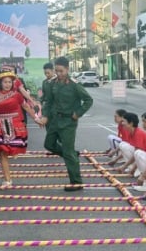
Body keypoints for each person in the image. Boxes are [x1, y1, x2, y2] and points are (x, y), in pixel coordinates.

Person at [0, 70, 41, 188]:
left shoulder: (17, 95)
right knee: (2, 152)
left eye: (10, 82)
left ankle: (13, 153)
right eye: (5, 82)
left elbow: (26, 107)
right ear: (0, 83)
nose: (8, 84)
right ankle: (7, 180)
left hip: (15, 124)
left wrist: (36, 119)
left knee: (11, 149)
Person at [40, 56, 93, 192]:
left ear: (67, 69)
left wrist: (78, 113)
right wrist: (45, 116)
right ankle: (71, 155)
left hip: (68, 122)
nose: (59, 74)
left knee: (68, 152)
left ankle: (76, 182)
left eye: (61, 71)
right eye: (57, 71)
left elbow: (88, 100)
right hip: (54, 121)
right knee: (49, 145)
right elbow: (48, 101)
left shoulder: (74, 85)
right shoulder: (52, 83)